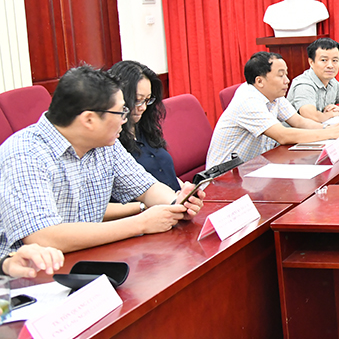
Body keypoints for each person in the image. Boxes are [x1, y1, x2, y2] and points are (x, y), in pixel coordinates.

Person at [0, 66, 205, 254]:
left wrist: (176, 204)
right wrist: (140, 223)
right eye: (120, 112)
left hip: (89, 257)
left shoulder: (105, 144)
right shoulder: (25, 154)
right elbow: (43, 237)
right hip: (32, 274)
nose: (124, 120)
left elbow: (147, 188)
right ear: (89, 120)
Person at [207, 51, 339, 168]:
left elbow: (300, 122)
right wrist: (331, 133)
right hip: (225, 178)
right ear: (259, 81)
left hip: (256, 168)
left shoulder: (274, 94)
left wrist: (330, 129)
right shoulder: (248, 101)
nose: (287, 80)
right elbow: (283, 135)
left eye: (286, 74)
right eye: (280, 75)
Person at [107, 61, 182, 202]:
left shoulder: (145, 127)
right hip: (147, 211)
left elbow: (164, 171)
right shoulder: (110, 141)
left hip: (172, 201)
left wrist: (185, 190)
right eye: (137, 100)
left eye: (147, 100)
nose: (143, 107)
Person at [287, 38, 339, 123]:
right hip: (301, 131)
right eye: (324, 60)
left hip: (322, 129)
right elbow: (311, 117)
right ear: (311, 62)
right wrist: (332, 114)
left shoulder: (332, 81)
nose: (330, 65)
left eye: (335, 60)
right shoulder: (304, 85)